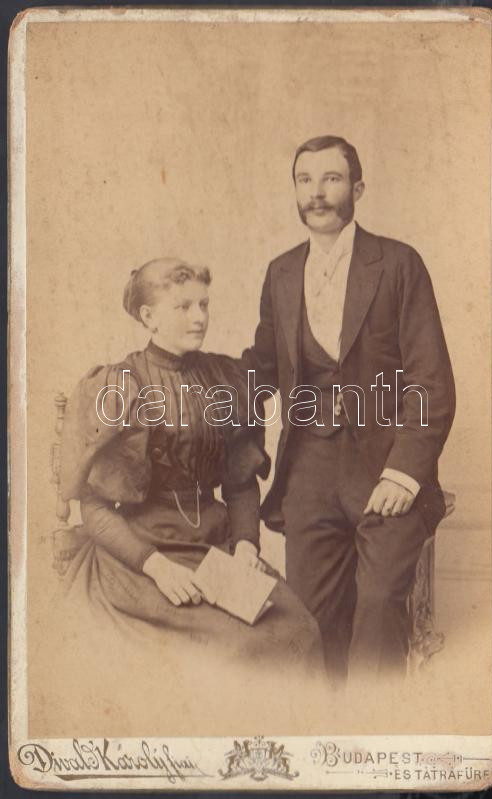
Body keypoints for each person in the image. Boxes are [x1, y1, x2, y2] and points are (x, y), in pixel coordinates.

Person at [56, 257, 323, 734]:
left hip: (214, 550)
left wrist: (246, 545)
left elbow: (239, 482)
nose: (199, 317)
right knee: (231, 654)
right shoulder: (120, 386)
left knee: (300, 631)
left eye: (203, 305)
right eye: (182, 307)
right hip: (140, 558)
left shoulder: (225, 379)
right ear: (148, 317)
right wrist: (154, 565)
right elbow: (93, 507)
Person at [243, 135, 456, 683]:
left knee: (379, 606)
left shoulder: (399, 264)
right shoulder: (281, 272)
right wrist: (193, 386)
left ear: (357, 189)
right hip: (309, 470)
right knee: (307, 624)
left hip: (384, 467)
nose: (316, 193)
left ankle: (375, 724)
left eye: (331, 179)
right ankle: (328, 731)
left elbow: (431, 382)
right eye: (305, 180)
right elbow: (261, 367)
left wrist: (404, 473)